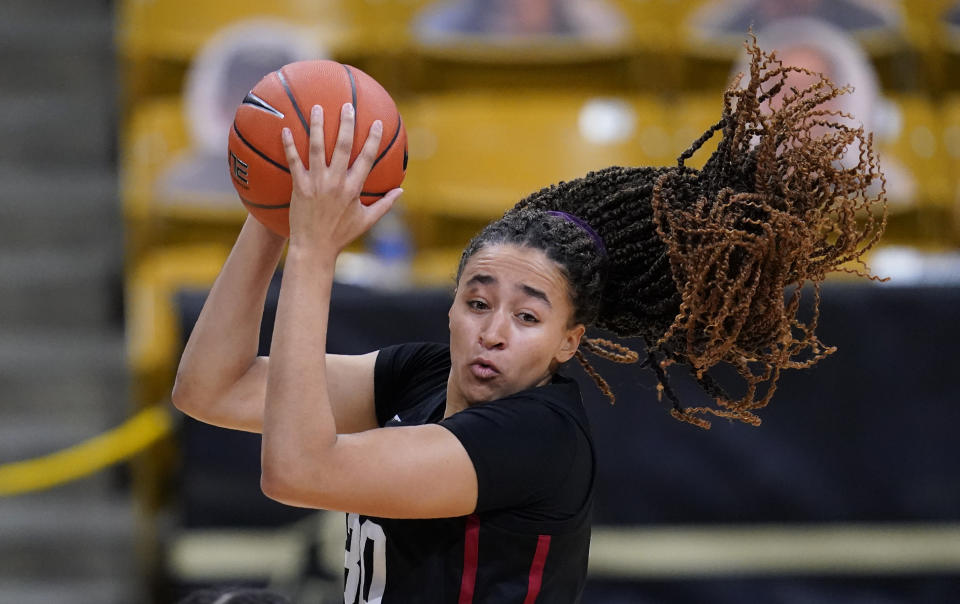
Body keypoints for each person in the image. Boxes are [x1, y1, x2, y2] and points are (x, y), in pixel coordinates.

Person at [172, 37, 886, 602]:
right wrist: (274, 207)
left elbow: (298, 469)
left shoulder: (536, 437)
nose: (494, 330)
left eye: (528, 315)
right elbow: (210, 389)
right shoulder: (420, 378)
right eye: (478, 302)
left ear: (570, 342)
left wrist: (313, 250)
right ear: (450, 307)